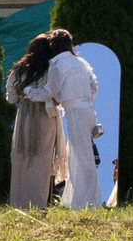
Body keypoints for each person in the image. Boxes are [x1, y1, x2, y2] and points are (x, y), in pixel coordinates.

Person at [36, 29, 102, 210]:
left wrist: (29, 92)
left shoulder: (57, 64)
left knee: (83, 158)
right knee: (78, 154)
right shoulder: (81, 61)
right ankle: (76, 198)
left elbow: (50, 90)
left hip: (74, 112)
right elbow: (94, 89)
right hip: (88, 110)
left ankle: (88, 202)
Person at [6, 36, 62, 210]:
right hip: (45, 115)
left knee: (22, 157)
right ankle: (37, 203)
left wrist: (24, 94)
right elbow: (55, 95)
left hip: (25, 115)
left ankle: (18, 202)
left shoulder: (19, 70)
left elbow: (11, 97)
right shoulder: (52, 69)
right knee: (42, 160)